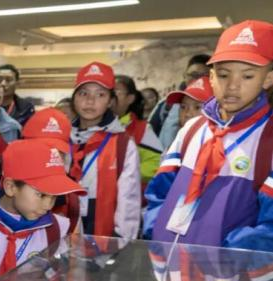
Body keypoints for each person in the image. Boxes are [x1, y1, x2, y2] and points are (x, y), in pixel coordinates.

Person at [144, 20, 273, 251]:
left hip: (227, 270)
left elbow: (269, 227)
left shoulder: (268, 141)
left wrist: (227, 253)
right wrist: (156, 230)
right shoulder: (192, 129)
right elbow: (159, 190)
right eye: (223, 75)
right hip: (168, 263)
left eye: (247, 76)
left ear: (268, 79)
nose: (232, 86)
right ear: (211, 77)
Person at [0, 139, 85, 281]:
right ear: (11, 187)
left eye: (54, 196)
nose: (48, 206)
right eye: (41, 195)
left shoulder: (57, 231)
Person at [66, 62, 141, 239]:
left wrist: (121, 242)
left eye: (100, 94)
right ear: (74, 98)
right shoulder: (62, 139)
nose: (90, 101)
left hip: (104, 235)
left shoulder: (122, 144)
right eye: (83, 93)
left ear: (110, 101)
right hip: (63, 232)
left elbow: (128, 200)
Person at [113, 75, 163, 185]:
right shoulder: (91, 124)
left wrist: (125, 175)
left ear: (130, 98)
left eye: (116, 92)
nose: (111, 96)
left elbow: (156, 162)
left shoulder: (141, 129)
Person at [149, 53, 211, 136]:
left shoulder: (219, 105)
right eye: (193, 75)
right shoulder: (167, 104)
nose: (199, 79)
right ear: (184, 76)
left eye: (205, 76)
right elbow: (151, 132)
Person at [159, 77, 214, 151]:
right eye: (183, 107)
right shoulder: (175, 148)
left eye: (197, 107)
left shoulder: (219, 149)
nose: (187, 114)